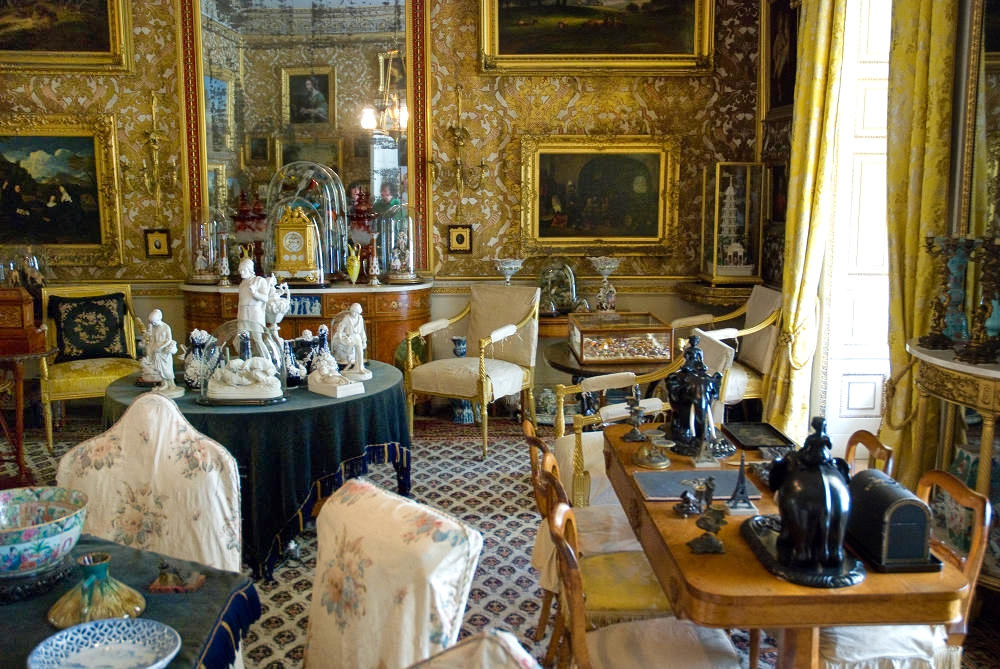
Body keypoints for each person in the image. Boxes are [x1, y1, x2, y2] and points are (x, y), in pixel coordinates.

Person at [142, 309, 181, 395]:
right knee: (159, 369)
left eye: (155, 322)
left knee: (167, 368)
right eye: (152, 322)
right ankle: (164, 384)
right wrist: (150, 349)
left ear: (160, 318)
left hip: (164, 351)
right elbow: (152, 340)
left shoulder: (166, 327)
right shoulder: (154, 328)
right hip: (157, 351)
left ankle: (172, 384)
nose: (154, 324)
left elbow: (169, 340)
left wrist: (161, 347)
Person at [333, 302, 368, 378]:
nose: (354, 313)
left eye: (355, 312)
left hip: (357, 337)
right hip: (350, 337)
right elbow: (340, 328)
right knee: (349, 354)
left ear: (358, 312)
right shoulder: (347, 318)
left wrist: (364, 341)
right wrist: (340, 337)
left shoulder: (360, 318)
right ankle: (349, 366)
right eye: (352, 311)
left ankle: (360, 368)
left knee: (360, 353)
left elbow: (362, 331)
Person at [237, 257, 269, 328]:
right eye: (240, 270)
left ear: (250, 270)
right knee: (242, 336)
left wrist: (254, 293)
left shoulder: (259, 280)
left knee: (256, 336)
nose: (241, 272)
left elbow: (265, 298)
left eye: (244, 270)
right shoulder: (242, 283)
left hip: (254, 312)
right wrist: (239, 315)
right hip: (243, 312)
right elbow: (240, 301)